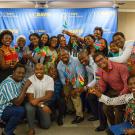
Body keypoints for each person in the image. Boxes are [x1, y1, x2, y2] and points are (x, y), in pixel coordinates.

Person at [92, 52, 129, 125]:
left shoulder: (120, 67)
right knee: (105, 108)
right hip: (114, 92)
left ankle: (120, 130)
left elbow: (127, 85)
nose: (100, 62)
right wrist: (98, 90)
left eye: (101, 59)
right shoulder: (100, 71)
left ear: (106, 58)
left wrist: (118, 100)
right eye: (97, 62)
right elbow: (102, 86)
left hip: (125, 92)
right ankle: (114, 127)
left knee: (118, 109)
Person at [0, 63, 31, 135]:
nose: (21, 75)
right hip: (3, 109)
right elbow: (17, 102)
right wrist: (25, 88)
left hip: (10, 107)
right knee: (20, 111)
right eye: (19, 72)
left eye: (23, 73)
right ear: (13, 72)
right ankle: (6, 132)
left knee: (27, 105)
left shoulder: (19, 80)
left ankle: (8, 127)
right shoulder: (8, 84)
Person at [57, 49, 85, 124]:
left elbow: (81, 76)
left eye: (66, 54)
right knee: (66, 93)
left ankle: (80, 115)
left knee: (75, 94)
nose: (64, 56)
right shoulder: (59, 65)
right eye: (62, 55)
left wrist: (75, 88)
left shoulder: (76, 61)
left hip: (80, 80)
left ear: (69, 55)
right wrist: (65, 84)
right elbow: (62, 78)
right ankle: (72, 109)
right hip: (69, 81)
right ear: (59, 57)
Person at [25, 63, 54, 135]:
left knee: (46, 125)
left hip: (44, 102)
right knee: (29, 108)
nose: (38, 71)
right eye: (36, 69)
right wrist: (41, 106)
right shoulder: (30, 80)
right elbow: (31, 99)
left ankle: (38, 116)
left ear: (44, 70)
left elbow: (49, 96)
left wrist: (38, 101)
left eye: (41, 69)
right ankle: (31, 129)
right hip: (32, 103)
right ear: (34, 70)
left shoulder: (50, 79)